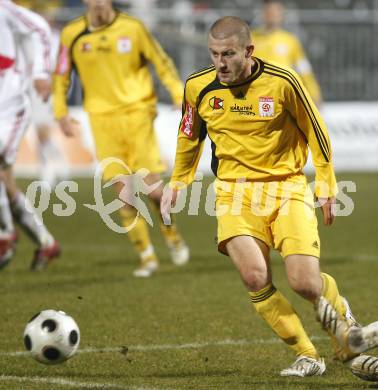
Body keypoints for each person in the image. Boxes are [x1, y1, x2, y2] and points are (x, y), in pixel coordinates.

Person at [161, 16, 378, 380]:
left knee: (304, 283)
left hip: (286, 187)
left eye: (228, 54)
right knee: (253, 276)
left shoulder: (283, 82)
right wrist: (177, 182)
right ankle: (308, 355)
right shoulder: (198, 86)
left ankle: (346, 328)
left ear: (249, 50)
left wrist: (326, 184)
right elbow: (189, 135)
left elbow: (317, 132)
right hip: (233, 193)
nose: (220, 63)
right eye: (214, 54)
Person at [53, 0, 189, 277]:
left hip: (137, 114)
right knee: (123, 193)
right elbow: (61, 75)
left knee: (152, 190)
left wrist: (178, 92)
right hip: (102, 121)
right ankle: (147, 257)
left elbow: (161, 61)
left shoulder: (133, 28)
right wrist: (61, 112)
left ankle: (172, 234)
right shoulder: (72, 34)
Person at [0, 0, 60, 270]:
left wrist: (40, 73)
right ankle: (46, 243)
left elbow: (40, 28)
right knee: (6, 181)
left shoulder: (4, 9)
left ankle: (5, 235)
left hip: (9, 106)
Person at [253, 0, 322, 106]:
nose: (272, 14)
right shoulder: (250, 39)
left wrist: (314, 94)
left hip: (282, 99)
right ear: (262, 13)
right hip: (256, 97)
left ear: (282, 14)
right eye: (268, 11)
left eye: (276, 11)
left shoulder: (291, 41)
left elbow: (305, 70)